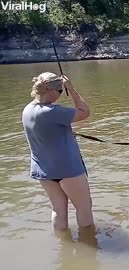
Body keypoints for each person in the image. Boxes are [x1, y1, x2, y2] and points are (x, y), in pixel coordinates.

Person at [21, 71, 95, 232]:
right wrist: (72, 90)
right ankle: (89, 245)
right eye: (61, 91)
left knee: (58, 210)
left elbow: (49, 130)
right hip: (67, 170)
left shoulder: (27, 110)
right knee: (84, 207)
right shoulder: (54, 112)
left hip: (44, 170)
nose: (61, 95)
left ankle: (63, 247)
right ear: (52, 92)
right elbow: (84, 112)